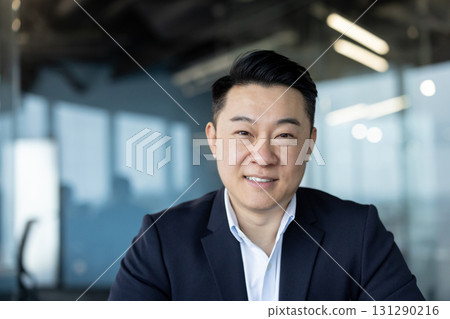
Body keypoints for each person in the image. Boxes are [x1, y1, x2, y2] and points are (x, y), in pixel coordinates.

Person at [108, 50, 425, 301]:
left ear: (309, 144)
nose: (262, 156)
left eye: (284, 136)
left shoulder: (358, 235)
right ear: (214, 141)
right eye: (244, 132)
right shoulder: (162, 240)